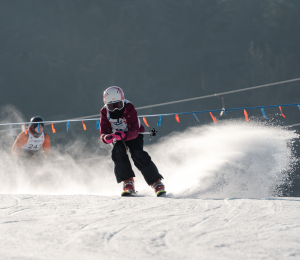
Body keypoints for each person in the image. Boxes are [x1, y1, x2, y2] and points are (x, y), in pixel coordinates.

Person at [100, 86, 166, 197]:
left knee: (137, 154)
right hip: (117, 136)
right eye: (112, 106)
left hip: (133, 134)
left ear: (123, 101)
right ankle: (127, 181)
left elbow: (135, 129)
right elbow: (103, 132)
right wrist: (106, 137)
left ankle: (156, 182)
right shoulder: (104, 112)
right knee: (118, 152)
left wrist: (125, 135)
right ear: (107, 105)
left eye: (118, 105)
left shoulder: (129, 107)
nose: (116, 109)